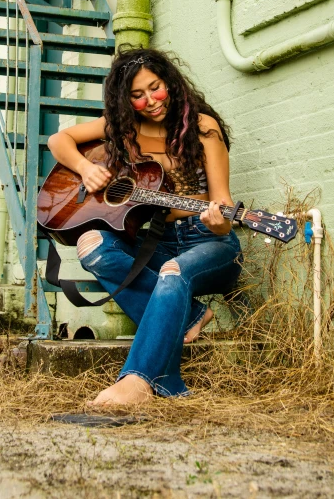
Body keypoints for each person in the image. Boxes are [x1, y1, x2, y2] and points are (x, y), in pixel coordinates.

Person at [47, 46, 243, 406]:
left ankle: (138, 381)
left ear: (169, 81)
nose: (151, 100)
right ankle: (191, 316)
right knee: (91, 243)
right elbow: (59, 140)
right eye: (137, 95)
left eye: (155, 88)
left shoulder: (202, 128)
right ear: (126, 100)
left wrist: (217, 223)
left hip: (206, 241)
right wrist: (86, 168)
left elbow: (223, 203)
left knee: (174, 271)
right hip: (154, 241)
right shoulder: (123, 130)